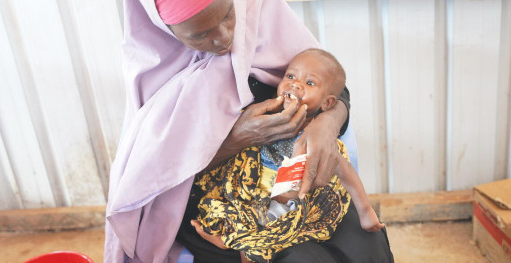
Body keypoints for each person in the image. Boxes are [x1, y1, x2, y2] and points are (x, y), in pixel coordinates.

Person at [105, 0, 393, 262]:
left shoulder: (260, 13)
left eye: (229, 15)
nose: (225, 37)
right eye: (199, 34)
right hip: (221, 202)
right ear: (164, 27)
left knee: (368, 248)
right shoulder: (153, 73)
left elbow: (334, 87)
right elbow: (155, 179)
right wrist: (234, 142)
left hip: (298, 189)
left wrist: (326, 124)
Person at [188, 48, 383, 263]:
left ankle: (240, 247)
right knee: (216, 209)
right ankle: (232, 241)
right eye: (290, 76)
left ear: (327, 104)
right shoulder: (263, 117)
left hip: (288, 207)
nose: (295, 84)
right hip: (252, 196)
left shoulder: (316, 138)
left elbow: (345, 170)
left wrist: (366, 212)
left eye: (309, 83)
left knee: (274, 231)